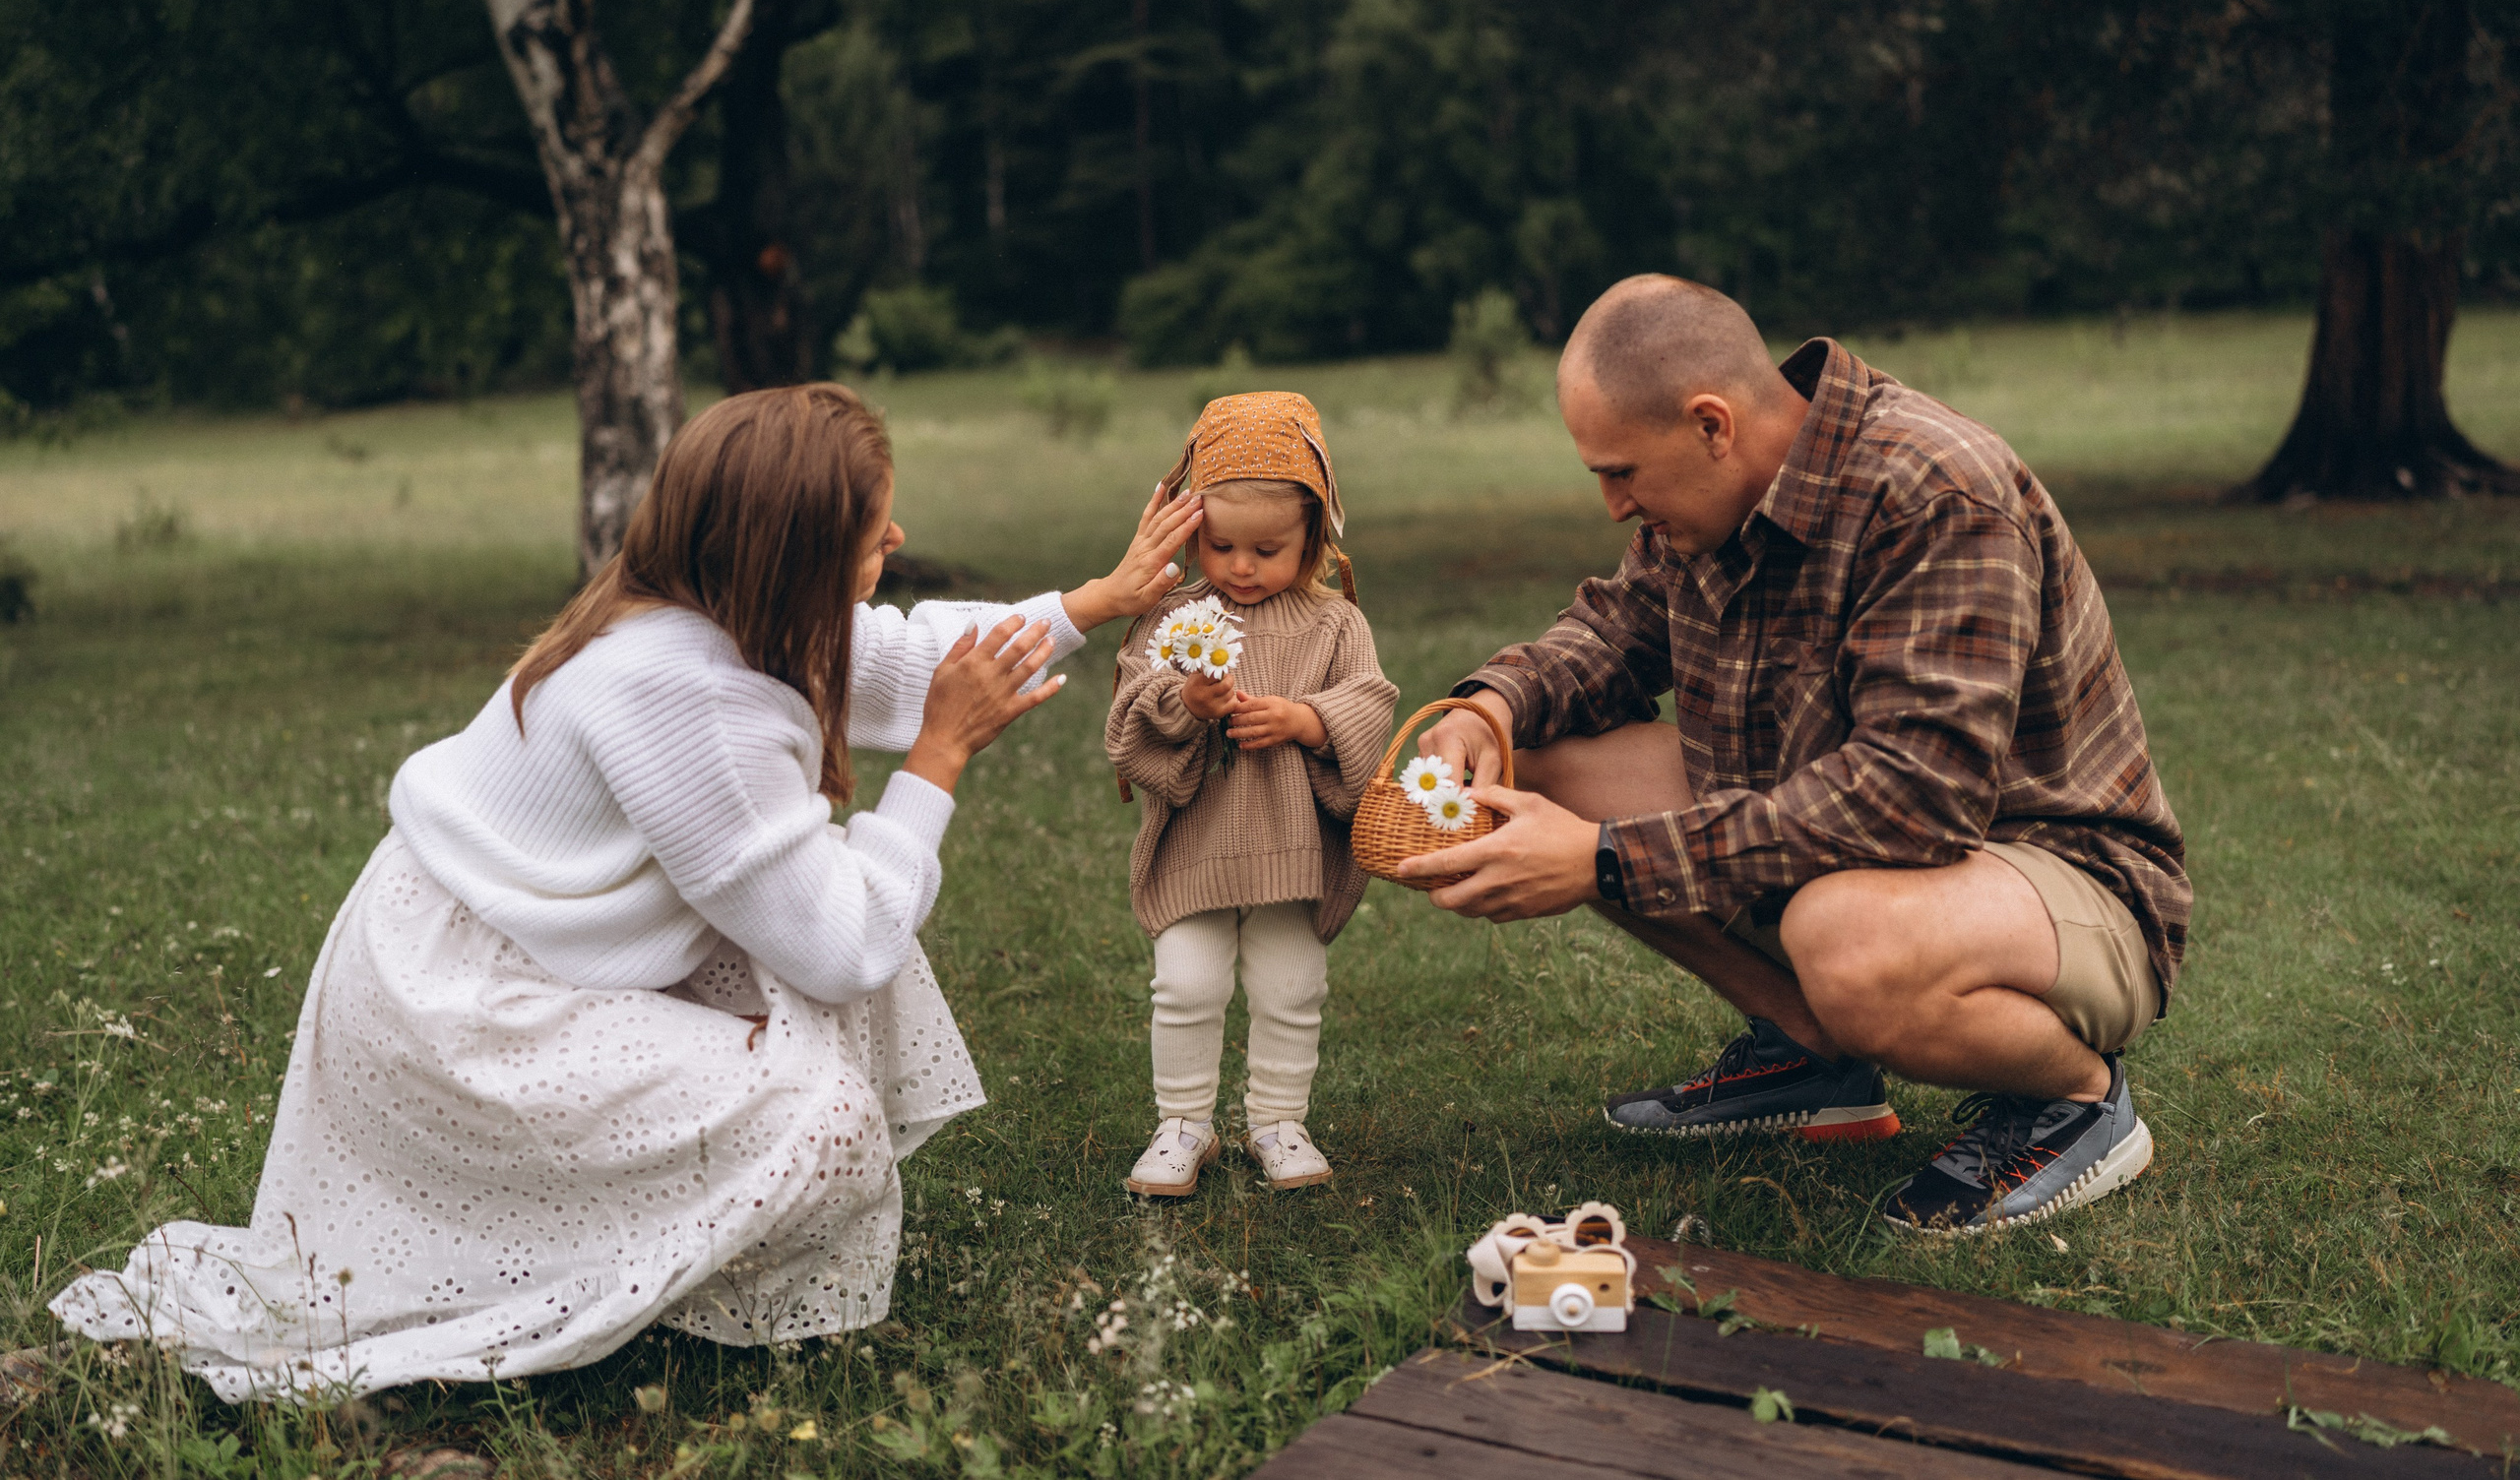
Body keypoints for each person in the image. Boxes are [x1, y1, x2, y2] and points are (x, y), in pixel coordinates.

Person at [51, 383, 1202, 1399]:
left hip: (502, 954)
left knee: (837, 930)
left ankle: (676, 1228)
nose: (898, 537)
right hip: (461, 1018)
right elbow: (845, 944)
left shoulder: (709, 608)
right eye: (870, 526)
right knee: (827, 1092)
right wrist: (938, 763)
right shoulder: (682, 693)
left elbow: (896, 656)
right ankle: (605, 1271)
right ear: (790, 554)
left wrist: (1091, 602)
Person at [1403, 277, 2190, 1234]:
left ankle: (2074, 1102)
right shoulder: (1702, 503)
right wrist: (1488, 708)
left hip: (2061, 882)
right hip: (1857, 847)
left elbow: (1914, 799)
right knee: (1539, 768)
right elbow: (1611, 636)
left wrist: (1602, 860)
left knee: (1842, 935)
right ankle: (1816, 1059)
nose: (1612, 505)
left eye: (1619, 472)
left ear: (1710, 424)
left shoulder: (1937, 492)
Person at [1105, 393, 1399, 1197]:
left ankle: (1278, 1118)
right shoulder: (1174, 616)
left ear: (1314, 536)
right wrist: (1185, 705)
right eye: (1221, 544)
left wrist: (1308, 718)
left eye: (1268, 548)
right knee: (1187, 982)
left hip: (1290, 850)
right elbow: (1129, 713)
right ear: (1191, 527)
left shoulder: (1335, 623)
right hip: (1201, 843)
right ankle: (1183, 1123)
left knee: (1291, 984)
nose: (1240, 566)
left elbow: (1371, 701)